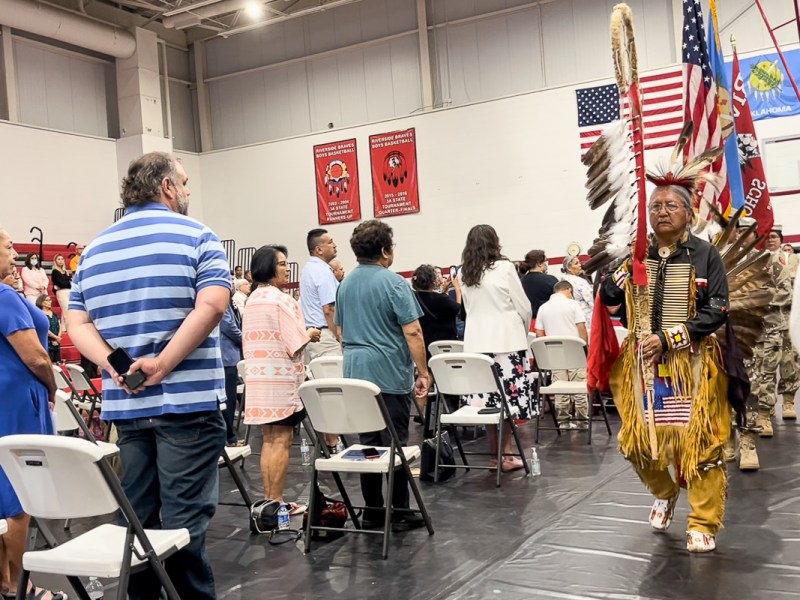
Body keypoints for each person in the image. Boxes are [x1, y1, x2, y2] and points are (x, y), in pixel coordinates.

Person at [67, 152, 229, 599]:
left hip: (129, 408)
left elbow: (76, 324)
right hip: (187, 406)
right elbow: (213, 305)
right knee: (183, 528)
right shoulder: (199, 236)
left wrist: (117, 365)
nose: (189, 191)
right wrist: (164, 363)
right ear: (167, 187)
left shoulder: (95, 248)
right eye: (186, 182)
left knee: (137, 525)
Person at [600, 183, 729, 553]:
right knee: (637, 443)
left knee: (702, 445)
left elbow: (718, 308)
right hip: (643, 366)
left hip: (693, 363)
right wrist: (621, 273)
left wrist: (672, 338)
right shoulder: (635, 256)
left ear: (688, 213)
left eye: (671, 205)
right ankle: (665, 491)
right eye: (655, 205)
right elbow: (608, 297)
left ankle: (703, 520)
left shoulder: (705, 255)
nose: (662, 211)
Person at [334, 220, 430, 530]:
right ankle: (399, 510)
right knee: (396, 444)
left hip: (354, 371)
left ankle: (373, 510)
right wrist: (423, 370)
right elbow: (413, 331)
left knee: (368, 443)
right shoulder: (394, 283)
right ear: (385, 250)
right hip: (386, 370)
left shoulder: (344, 285)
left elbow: (340, 330)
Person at [0, 227, 65, 600]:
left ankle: (7, 582)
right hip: (18, 398)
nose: (15, 256)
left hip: (6, 395)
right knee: (18, 495)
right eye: (9, 248)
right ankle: (22, 584)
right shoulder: (5, 295)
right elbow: (36, 356)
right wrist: (52, 386)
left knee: (3, 492)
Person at [242, 245, 320, 512]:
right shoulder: (283, 300)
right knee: (282, 441)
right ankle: (276, 502)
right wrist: (310, 333)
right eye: (283, 263)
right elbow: (295, 343)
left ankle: (268, 501)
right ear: (269, 267)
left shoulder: (251, 299)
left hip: (258, 380)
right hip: (280, 381)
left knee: (267, 441)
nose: (287, 268)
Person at [459, 225, 536, 472]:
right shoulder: (504, 267)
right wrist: (522, 333)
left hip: (476, 345)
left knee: (487, 404)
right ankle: (505, 454)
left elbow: (468, 309)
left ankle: (497, 455)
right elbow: (523, 307)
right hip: (506, 343)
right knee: (508, 404)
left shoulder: (464, 273)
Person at [723, 218, 763, 471]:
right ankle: (727, 438)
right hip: (724, 334)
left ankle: (747, 443)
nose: (740, 233)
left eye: (746, 230)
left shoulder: (764, 260)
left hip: (752, 334)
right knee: (724, 386)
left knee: (752, 388)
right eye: (737, 229)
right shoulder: (717, 258)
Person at [753, 224, 799, 433]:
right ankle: (765, 411)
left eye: (774, 237)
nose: (770, 240)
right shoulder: (758, 260)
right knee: (765, 367)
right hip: (766, 322)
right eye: (767, 237)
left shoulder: (793, 260)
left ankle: (788, 401)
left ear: (781, 239)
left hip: (789, 319)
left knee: (790, 363)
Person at [299, 228, 343, 450]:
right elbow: (329, 308)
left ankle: (331, 437)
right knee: (332, 390)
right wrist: (339, 335)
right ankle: (333, 440)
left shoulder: (309, 269)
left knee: (324, 389)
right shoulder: (323, 272)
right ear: (318, 249)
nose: (335, 245)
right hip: (326, 335)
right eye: (330, 242)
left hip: (316, 334)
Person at [535, 280, 589, 430]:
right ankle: (582, 421)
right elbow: (581, 327)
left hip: (555, 355)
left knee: (560, 389)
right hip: (575, 352)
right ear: (568, 290)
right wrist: (585, 347)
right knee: (579, 388)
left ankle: (563, 422)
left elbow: (539, 332)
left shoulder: (543, 307)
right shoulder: (573, 305)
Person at [220, 278, 244, 447]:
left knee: (229, 398)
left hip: (230, 355)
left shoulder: (230, 302)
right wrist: (246, 339)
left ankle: (229, 436)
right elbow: (228, 325)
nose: (232, 284)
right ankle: (229, 437)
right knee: (228, 400)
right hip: (226, 356)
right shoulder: (222, 301)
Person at [520, 249, 558, 330]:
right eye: (545, 262)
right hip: (548, 323)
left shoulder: (521, 282)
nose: (546, 264)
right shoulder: (550, 280)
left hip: (528, 324)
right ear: (539, 264)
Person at [560, 256, 594, 331]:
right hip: (585, 317)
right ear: (569, 268)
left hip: (569, 317)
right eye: (576, 263)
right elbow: (591, 300)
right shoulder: (579, 281)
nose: (580, 265)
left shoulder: (561, 281)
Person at [36, 294, 62, 363]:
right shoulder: (40, 314)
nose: (50, 302)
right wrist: (55, 337)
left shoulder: (54, 314)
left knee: (57, 363)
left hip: (57, 341)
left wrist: (58, 338)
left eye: (50, 300)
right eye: (47, 300)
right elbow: (44, 328)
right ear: (41, 302)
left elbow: (60, 325)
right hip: (46, 342)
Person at [50, 253, 72, 321]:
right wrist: (68, 282)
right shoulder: (55, 272)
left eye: (62, 259)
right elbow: (61, 284)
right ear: (55, 261)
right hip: (61, 292)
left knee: (65, 311)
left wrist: (68, 282)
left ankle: (63, 328)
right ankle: (69, 326)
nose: (60, 261)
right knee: (67, 309)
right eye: (58, 259)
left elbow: (69, 282)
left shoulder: (66, 271)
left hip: (68, 291)